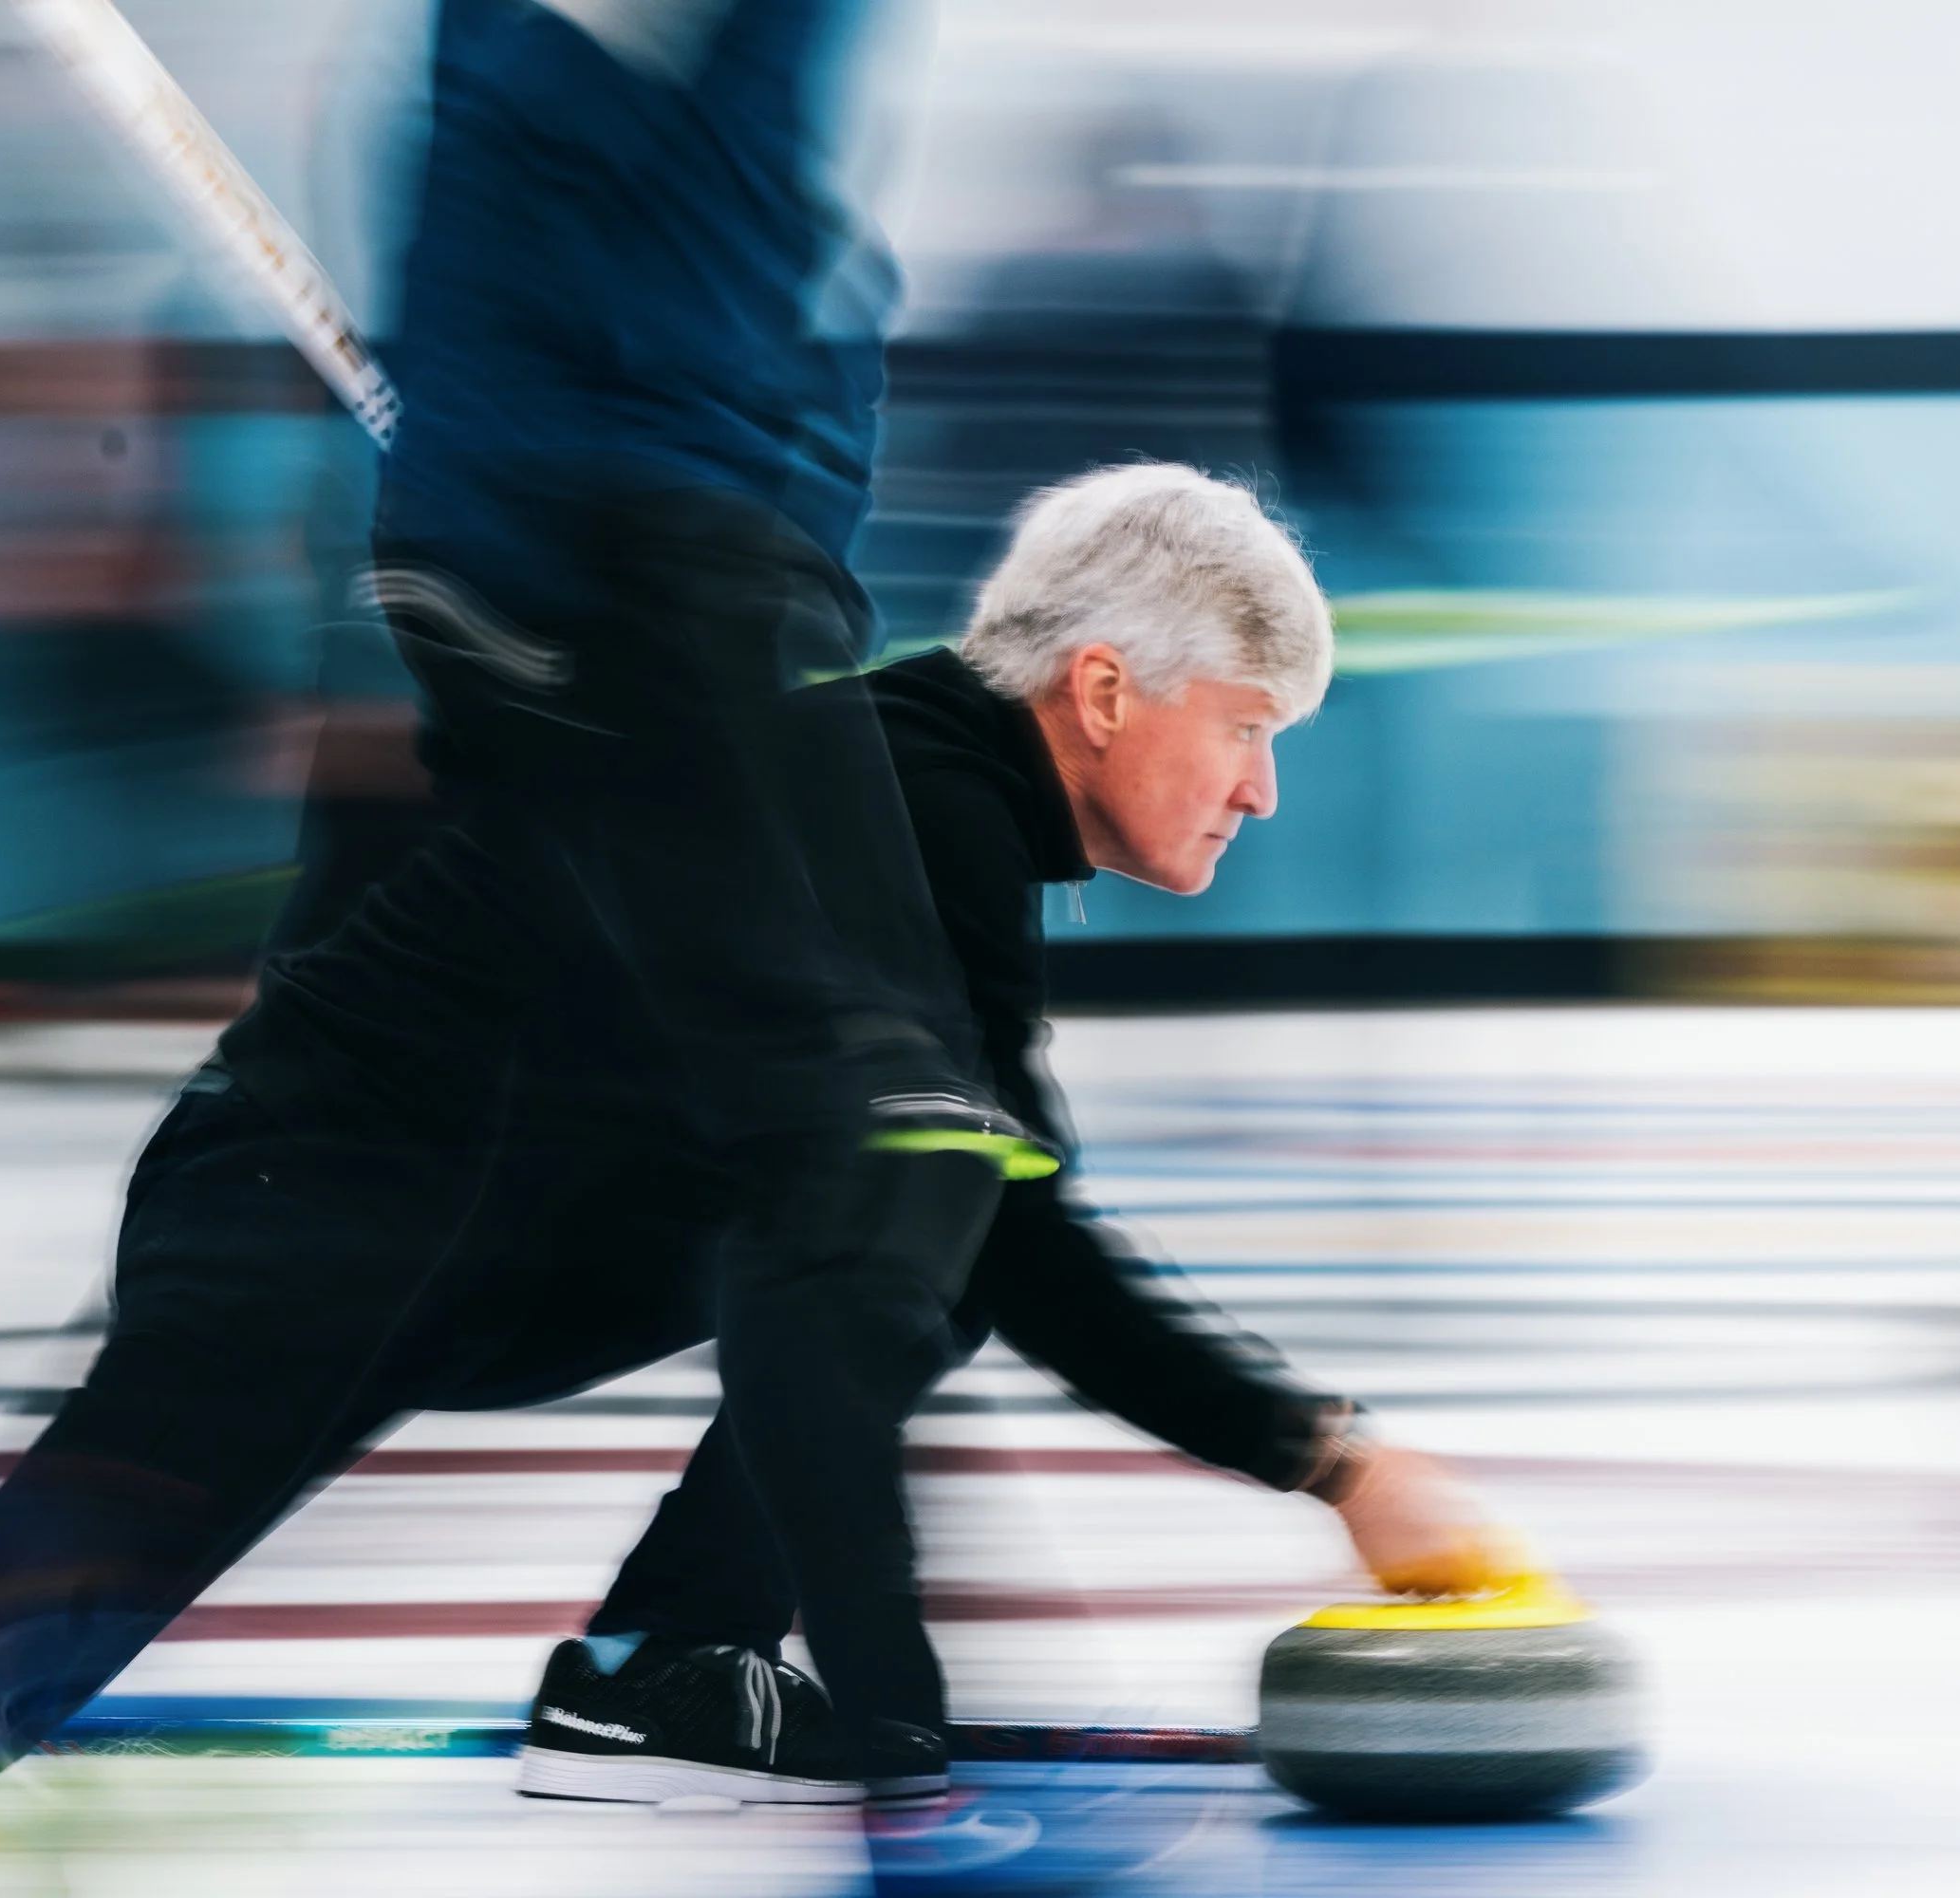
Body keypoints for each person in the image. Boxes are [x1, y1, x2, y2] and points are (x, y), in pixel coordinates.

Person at [0, 0, 1048, 1805]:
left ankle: (669, 1664)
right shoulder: (636, 553)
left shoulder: (713, 568)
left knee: (950, 1193)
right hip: (325, 1222)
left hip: (563, 1062)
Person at [501, 460, 1518, 1804]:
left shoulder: (924, 784)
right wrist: (1337, 1464)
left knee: (933, 1229)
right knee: (931, 1232)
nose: (1262, 791)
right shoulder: (914, 809)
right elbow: (1016, 1234)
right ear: (1102, 694)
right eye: (1246, 729)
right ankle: (670, 1664)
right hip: (423, 1241)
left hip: (494, 1223)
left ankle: (665, 1659)